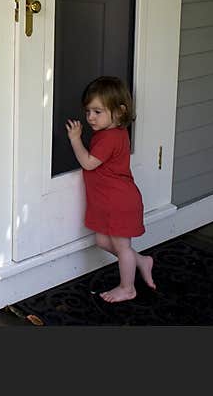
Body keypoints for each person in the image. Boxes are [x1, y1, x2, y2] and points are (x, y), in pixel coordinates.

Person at [65, 76, 156, 303]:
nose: (90, 118)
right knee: (103, 242)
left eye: (97, 111)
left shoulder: (109, 138)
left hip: (119, 201)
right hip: (109, 200)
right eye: (88, 112)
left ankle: (128, 288)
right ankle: (142, 261)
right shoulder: (113, 133)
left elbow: (87, 163)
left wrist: (75, 140)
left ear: (119, 111)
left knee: (122, 247)